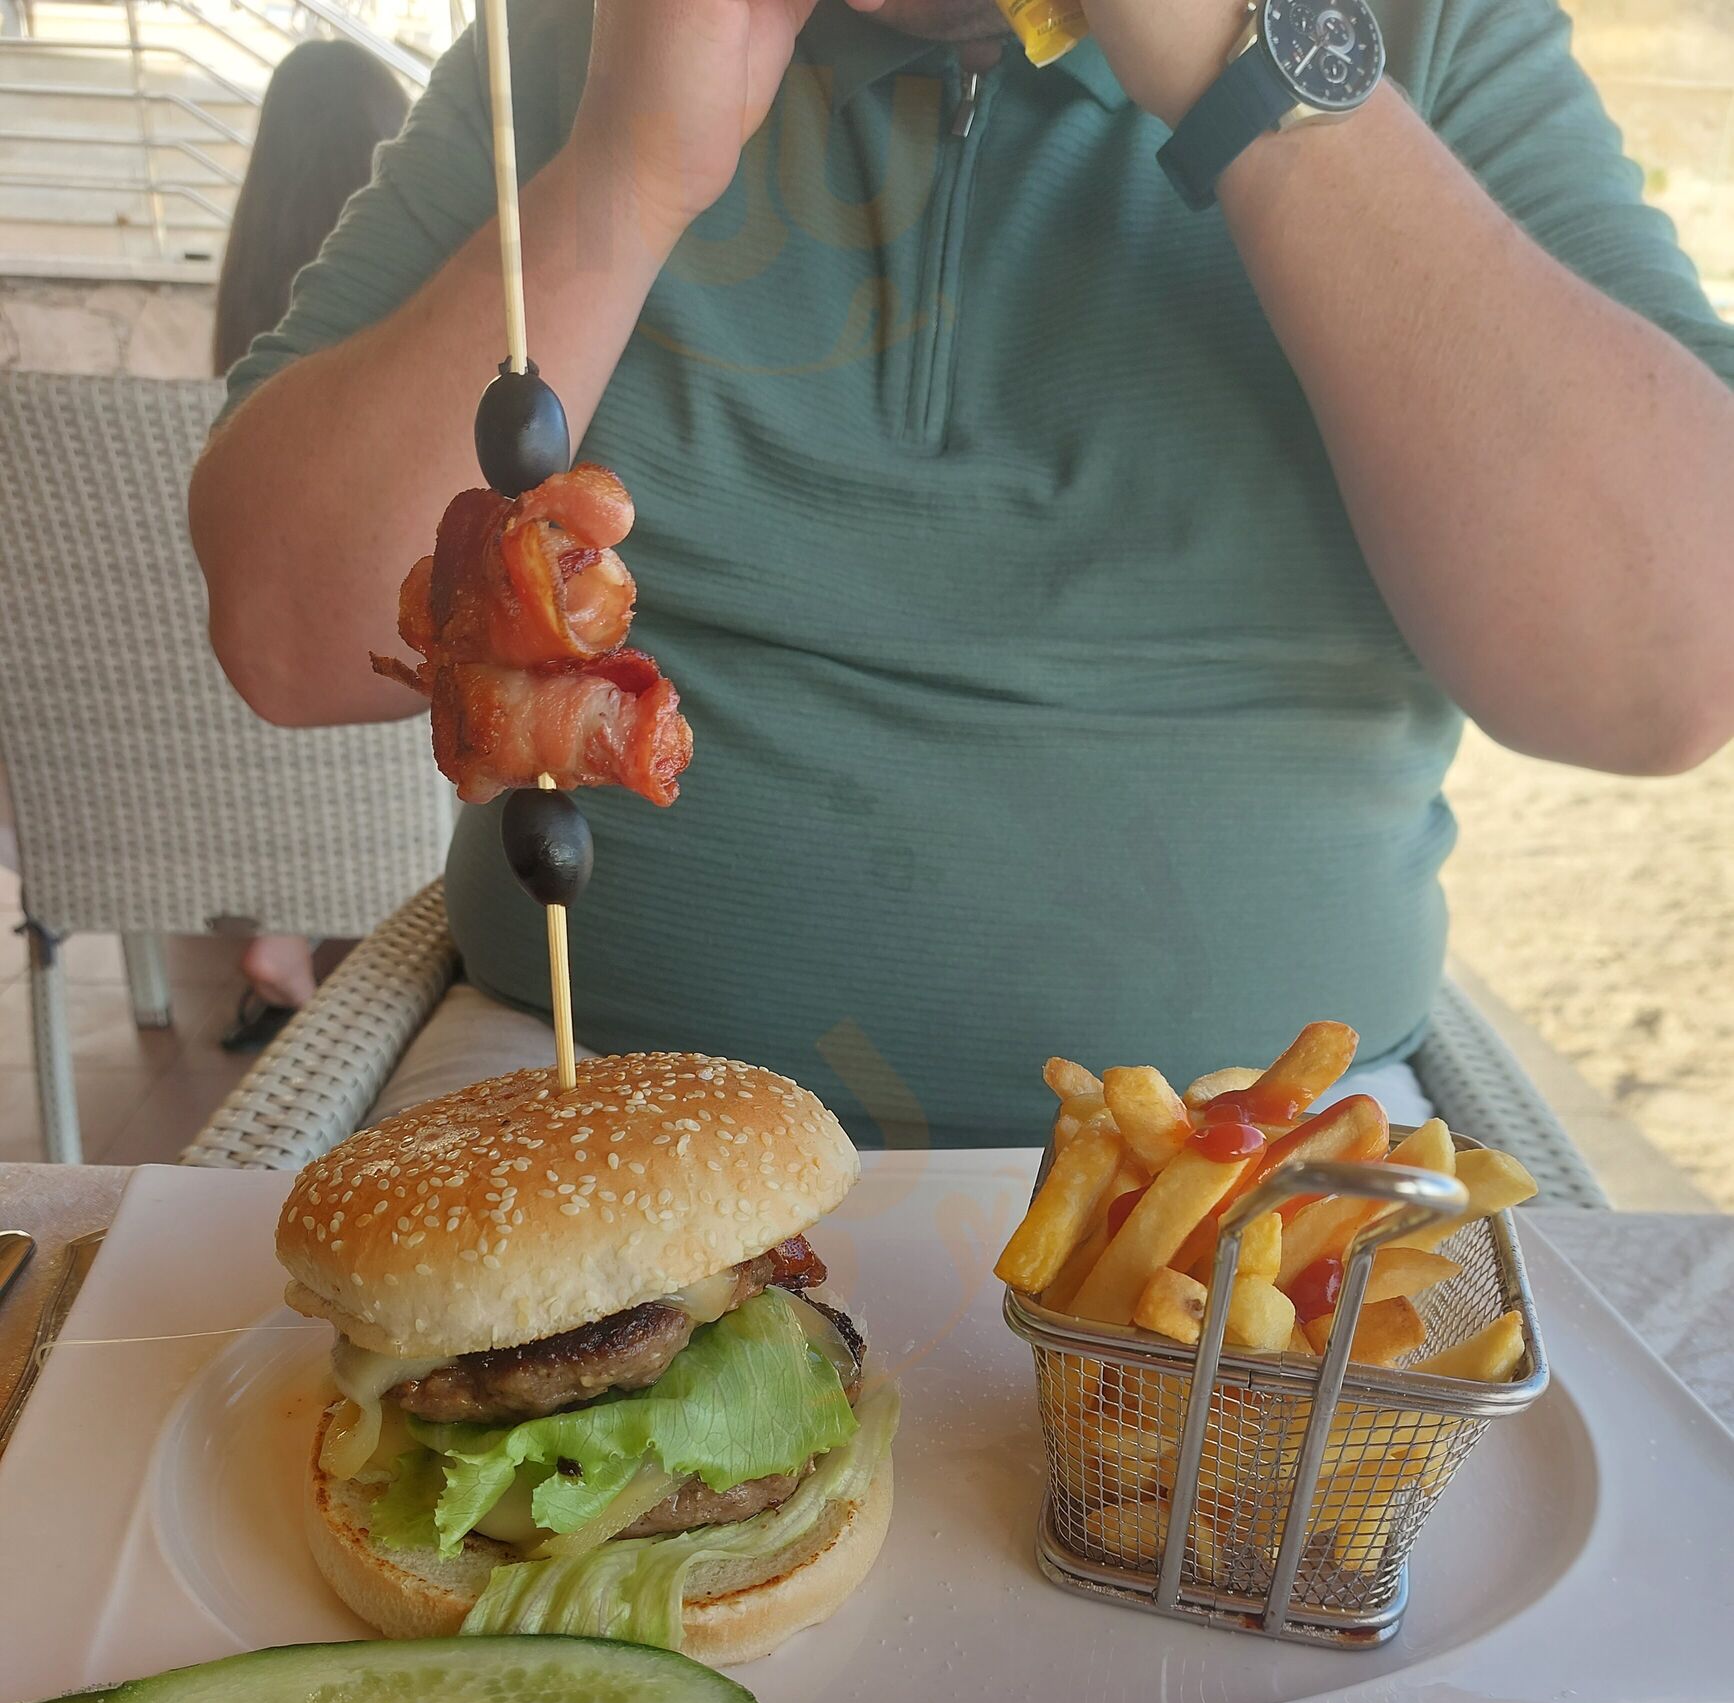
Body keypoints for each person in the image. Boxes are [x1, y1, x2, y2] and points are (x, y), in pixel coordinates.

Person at [189, 0, 1734, 1143]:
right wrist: (628, 173)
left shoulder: (1422, 28)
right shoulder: (577, 38)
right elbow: (291, 633)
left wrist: (1244, 70)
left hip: (1260, 1159)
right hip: (584, 1092)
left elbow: (1662, 671)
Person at [210, 36, 407, 1050]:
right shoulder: (420, 305)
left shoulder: (244, 333)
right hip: (376, 769)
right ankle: (307, 913)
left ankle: (279, 915)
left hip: (210, 755)